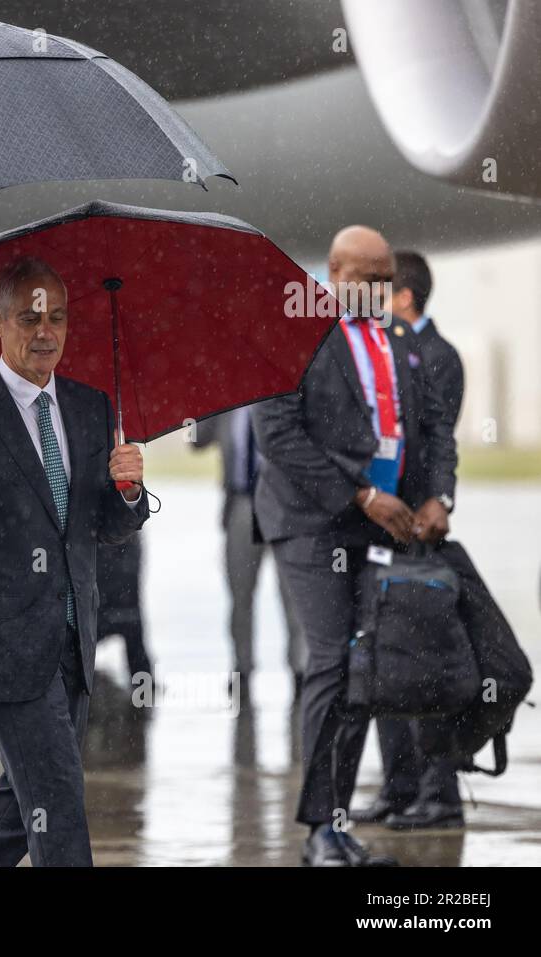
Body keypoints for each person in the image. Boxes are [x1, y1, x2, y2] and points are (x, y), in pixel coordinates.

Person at [0, 256, 148, 866]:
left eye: (57, 318)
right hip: (1, 648)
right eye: (28, 318)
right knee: (59, 808)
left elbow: (103, 527)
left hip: (74, 640)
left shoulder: (91, 407)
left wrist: (129, 493)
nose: (45, 332)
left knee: (22, 808)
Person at [253, 226, 457, 866]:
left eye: (387, 280)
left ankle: (339, 820)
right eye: (367, 278)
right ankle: (320, 828)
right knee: (332, 663)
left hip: (385, 526)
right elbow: (278, 437)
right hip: (314, 524)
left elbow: (434, 427)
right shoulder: (294, 330)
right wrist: (361, 495)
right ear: (334, 272)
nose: (380, 290)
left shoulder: (400, 342)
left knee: (368, 671)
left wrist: (438, 497)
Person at [352, 250, 466, 830]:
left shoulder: (438, 356)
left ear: (402, 296)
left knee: (427, 666)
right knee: (385, 662)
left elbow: (438, 436)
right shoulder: (377, 349)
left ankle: (438, 793)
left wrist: (436, 500)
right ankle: (398, 787)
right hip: (382, 527)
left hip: (418, 532)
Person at [193, 407, 306, 702]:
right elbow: (196, 441)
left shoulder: (288, 395)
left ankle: (300, 669)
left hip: (285, 506)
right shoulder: (225, 401)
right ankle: (242, 667)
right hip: (241, 504)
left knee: (292, 595)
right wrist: (204, 401)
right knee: (240, 593)